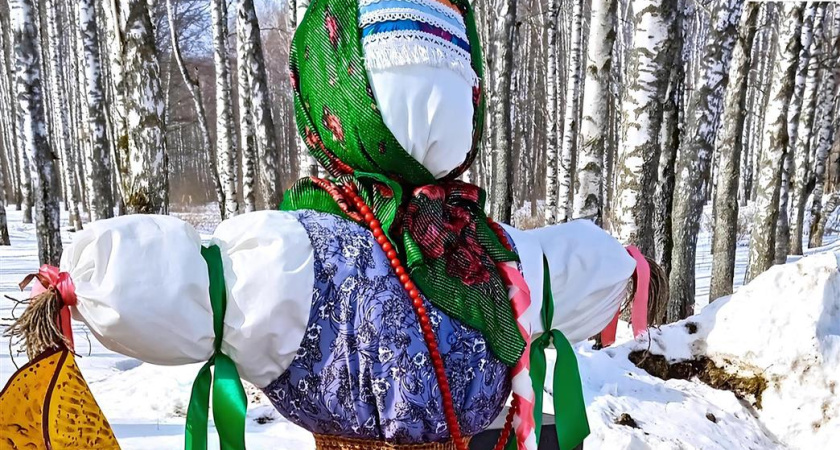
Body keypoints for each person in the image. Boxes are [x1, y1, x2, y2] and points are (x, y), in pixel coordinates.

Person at [3, 0, 659, 448]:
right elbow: (573, 266)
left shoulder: (290, 254)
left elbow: (181, 284)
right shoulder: (493, 256)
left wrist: (88, 282)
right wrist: (622, 268)